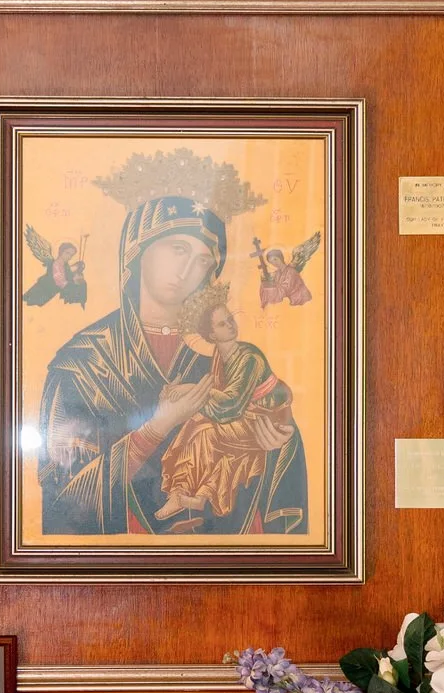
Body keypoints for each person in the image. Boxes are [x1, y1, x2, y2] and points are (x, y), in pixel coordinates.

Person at [35, 193, 309, 538]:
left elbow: (272, 427)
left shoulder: (220, 353)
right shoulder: (82, 364)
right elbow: (63, 499)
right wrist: (155, 430)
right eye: (178, 249)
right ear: (137, 249)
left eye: (203, 260)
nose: (185, 271)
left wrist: (275, 440)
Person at [154, 287, 299, 525]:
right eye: (222, 324)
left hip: (267, 422)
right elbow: (221, 401)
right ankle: (184, 493)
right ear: (211, 335)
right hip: (245, 418)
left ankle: (185, 492)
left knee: (205, 431)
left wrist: (190, 391)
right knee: (198, 424)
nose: (231, 325)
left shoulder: (249, 357)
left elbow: (231, 405)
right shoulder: (220, 358)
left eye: (230, 319)